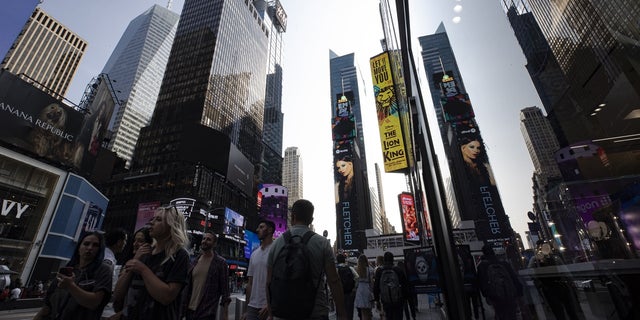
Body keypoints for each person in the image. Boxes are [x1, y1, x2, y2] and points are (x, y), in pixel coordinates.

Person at [267, 199, 347, 320]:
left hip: (282, 312)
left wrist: (270, 313)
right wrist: (341, 313)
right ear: (311, 220)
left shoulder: (276, 244)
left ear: (292, 216)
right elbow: (334, 280)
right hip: (315, 312)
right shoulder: (322, 243)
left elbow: (268, 282)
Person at [117, 205, 190, 320]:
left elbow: (167, 296)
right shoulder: (143, 253)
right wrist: (135, 260)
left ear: (171, 226)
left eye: (158, 220)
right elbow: (118, 295)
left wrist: (142, 269)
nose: (151, 222)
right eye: (153, 219)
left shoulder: (180, 256)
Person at [34, 231, 113, 320]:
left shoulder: (103, 270)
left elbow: (94, 303)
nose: (90, 248)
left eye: (95, 245)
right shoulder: (68, 269)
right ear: (79, 248)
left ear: (100, 250)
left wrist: (71, 286)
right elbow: (47, 306)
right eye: (86, 244)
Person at [182, 232, 230, 320]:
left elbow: (225, 291)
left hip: (207, 312)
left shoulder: (220, 263)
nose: (205, 241)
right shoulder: (194, 261)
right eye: (204, 239)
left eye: (209, 239)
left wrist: (225, 315)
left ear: (214, 244)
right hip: (190, 311)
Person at [110, 227, 153, 319]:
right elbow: (117, 295)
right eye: (134, 240)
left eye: (140, 241)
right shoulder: (129, 264)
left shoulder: (152, 269)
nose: (135, 244)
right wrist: (135, 260)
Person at [477, 244, 523, 320]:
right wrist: (519, 291)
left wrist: (487, 295)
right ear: (493, 251)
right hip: (510, 294)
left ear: (484, 253)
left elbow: (482, 282)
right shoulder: (503, 263)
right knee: (512, 314)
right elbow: (514, 277)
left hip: (495, 296)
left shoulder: (482, 266)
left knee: (500, 314)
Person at [242, 220, 275, 320]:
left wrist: (270, 305)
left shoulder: (276, 250)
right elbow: (250, 283)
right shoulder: (254, 254)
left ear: (270, 230)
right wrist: (246, 310)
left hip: (268, 307)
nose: (257, 230)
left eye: (261, 227)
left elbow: (279, 282)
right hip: (252, 307)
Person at [374, 252, 409, 320]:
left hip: (385, 300)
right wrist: (405, 298)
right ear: (392, 259)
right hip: (398, 299)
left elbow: (376, 287)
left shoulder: (379, 271)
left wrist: (377, 300)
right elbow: (405, 285)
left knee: (388, 316)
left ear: (384, 260)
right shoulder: (398, 270)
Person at [336, 254, 358, 320]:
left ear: (337, 260)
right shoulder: (350, 268)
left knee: (340, 312)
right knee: (349, 311)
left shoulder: (336, 269)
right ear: (344, 260)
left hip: (339, 293)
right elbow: (357, 277)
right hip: (349, 292)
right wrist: (354, 288)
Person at [354, 254, 374, 320]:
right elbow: (371, 282)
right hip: (367, 288)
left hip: (360, 289)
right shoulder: (369, 269)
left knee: (362, 311)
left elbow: (356, 283)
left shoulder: (357, 269)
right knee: (368, 311)